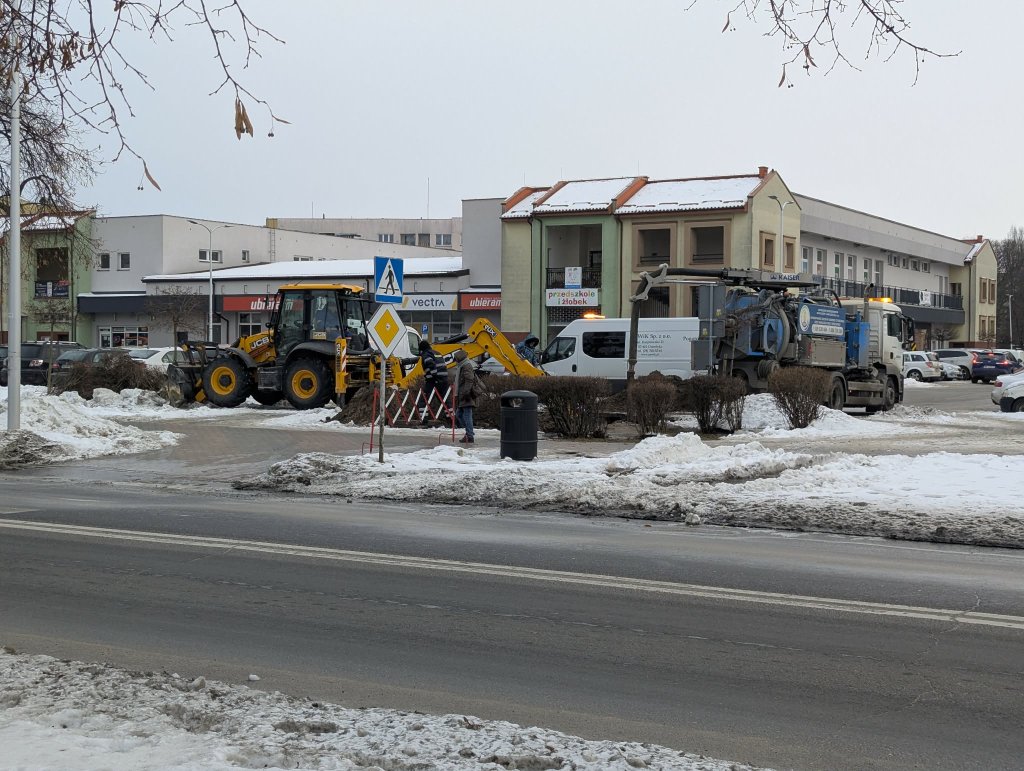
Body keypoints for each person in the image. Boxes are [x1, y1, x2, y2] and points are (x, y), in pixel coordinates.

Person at [452, 348, 479, 443]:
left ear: (459, 359)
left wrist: (465, 393)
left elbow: (469, 380)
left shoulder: (466, 366)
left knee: (466, 415)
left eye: (456, 359)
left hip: (467, 395)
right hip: (463, 395)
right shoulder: (462, 366)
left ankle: (469, 435)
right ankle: (469, 432)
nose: (455, 362)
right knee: (459, 414)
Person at [418, 339, 445, 425]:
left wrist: (434, 377)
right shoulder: (437, 353)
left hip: (433, 381)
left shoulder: (426, 354)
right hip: (443, 380)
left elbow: (431, 364)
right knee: (445, 400)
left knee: (423, 400)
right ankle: (452, 420)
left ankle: (423, 419)